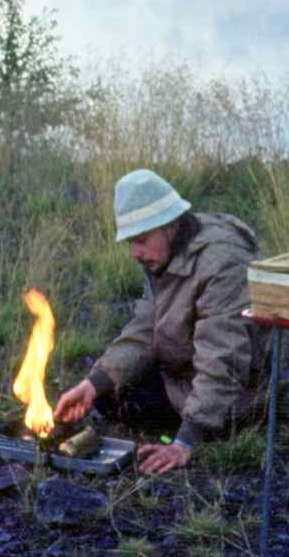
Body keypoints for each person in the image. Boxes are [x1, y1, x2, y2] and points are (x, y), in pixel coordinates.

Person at [53, 168, 271, 474]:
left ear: (169, 225)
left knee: (132, 404)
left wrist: (186, 442)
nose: (135, 253)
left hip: (244, 392)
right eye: (131, 242)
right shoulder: (168, 253)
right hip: (189, 369)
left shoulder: (221, 262)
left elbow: (225, 358)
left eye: (141, 240)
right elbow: (144, 329)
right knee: (107, 396)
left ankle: (206, 426)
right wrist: (94, 383)